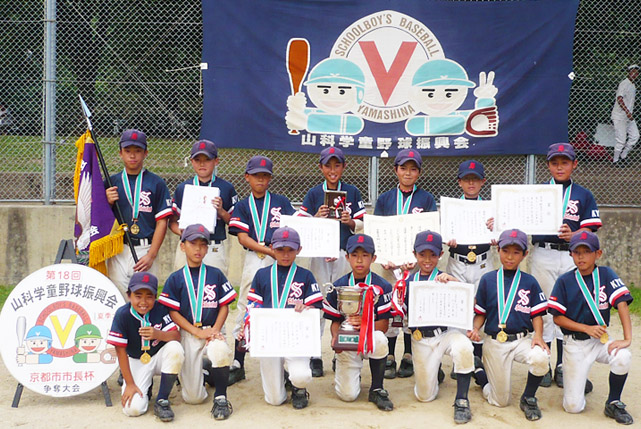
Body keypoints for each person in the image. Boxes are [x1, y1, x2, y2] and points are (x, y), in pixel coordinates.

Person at [530, 142, 601, 388]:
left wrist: (576, 234)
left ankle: (563, 365)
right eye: (555, 163)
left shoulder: (583, 194)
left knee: (566, 309)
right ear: (548, 165)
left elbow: (591, 228)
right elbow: (519, 217)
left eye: (565, 162)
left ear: (574, 164)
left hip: (572, 255)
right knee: (544, 307)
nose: (559, 167)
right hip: (544, 252)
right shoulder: (538, 192)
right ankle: (544, 362)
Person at [548, 231, 634, 425]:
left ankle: (614, 402)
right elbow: (557, 318)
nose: (581, 257)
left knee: (623, 356)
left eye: (586, 252)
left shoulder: (606, 274)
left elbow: (621, 303)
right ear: (570, 254)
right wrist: (585, 328)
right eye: (576, 252)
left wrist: (627, 338)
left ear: (598, 254)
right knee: (573, 407)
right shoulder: (565, 280)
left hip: (599, 341)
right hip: (575, 344)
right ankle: (578, 381)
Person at [297, 146, 366, 377]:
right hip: (319, 254)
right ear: (321, 167)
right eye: (328, 165)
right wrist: (316, 218)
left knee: (345, 303)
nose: (333, 170)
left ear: (344, 167)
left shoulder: (352, 192)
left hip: (343, 253)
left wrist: (350, 221)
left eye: (337, 165)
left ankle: (341, 350)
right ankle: (315, 354)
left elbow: (362, 223)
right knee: (316, 301)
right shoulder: (314, 193)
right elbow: (301, 223)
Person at [228, 155, 296, 384]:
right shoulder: (242, 205)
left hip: (280, 258)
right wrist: (268, 251)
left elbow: (294, 228)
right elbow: (242, 238)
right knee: (246, 305)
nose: (261, 179)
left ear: (270, 178)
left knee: (280, 304)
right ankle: (238, 361)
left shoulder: (281, 202)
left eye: (265, 176)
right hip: (255, 257)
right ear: (247, 177)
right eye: (256, 175)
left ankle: (283, 364)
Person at [158, 224, 237, 420]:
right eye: (193, 244)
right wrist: (196, 331)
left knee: (219, 350)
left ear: (207, 248)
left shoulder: (215, 274)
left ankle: (220, 397)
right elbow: (173, 312)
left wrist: (215, 330)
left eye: (203, 244)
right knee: (193, 398)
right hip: (189, 333)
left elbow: (224, 305)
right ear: (182, 246)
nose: (198, 249)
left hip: (212, 330)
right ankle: (206, 371)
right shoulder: (176, 278)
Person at [472, 229, 550, 421]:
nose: (510, 257)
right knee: (499, 401)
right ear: (498, 250)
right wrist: (475, 329)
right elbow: (481, 313)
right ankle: (480, 374)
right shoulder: (488, 279)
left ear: (525, 254)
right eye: (506, 251)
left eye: (516, 252)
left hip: (520, 340)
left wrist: (538, 336)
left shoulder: (529, 281)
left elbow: (537, 314)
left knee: (541, 357)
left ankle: (528, 397)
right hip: (495, 342)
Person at [372, 148, 436, 379]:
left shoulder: (426, 199)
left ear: (419, 172)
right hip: (390, 265)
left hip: (415, 264)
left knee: (412, 307)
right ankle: (389, 354)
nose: (408, 173)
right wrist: (383, 258)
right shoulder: (385, 199)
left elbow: (430, 232)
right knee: (391, 306)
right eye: (403, 168)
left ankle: (408, 354)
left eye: (413, 169)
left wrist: (417, 259)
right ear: (395, 170)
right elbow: (377, 232)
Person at [244, 226, 323, 408]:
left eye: (290, 250)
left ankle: (299, 388)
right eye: (280, 250)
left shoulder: (306, 275)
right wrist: (250, 326)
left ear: (299, 250)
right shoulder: (262, 274)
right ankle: (284, 378)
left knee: (301, 376)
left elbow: (316, 306)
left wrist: (308, 306)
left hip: (294, 336)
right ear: (272, 248)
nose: (285, 255)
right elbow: (253, 305)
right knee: (274, 400)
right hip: (270, 337)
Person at [404, 230, 475, 424]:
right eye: (422, 254)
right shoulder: (409, 281)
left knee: (464, 346)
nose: (427, 260)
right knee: (424, 396)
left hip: (445, 334)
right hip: (421, 339)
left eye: (433, 255)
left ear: (441, 254)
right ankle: (435, 371)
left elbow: (471, 303)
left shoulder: (446, 278)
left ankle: (462, 399)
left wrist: (455, 283)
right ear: (414, 254)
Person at [323, 234, 394, 411]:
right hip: (348, 342)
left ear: (373, 258)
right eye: (354, 255)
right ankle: (350, 371)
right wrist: (336, 338)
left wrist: (364, 323)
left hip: (369, 339)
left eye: (365, 255)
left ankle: (377, 388)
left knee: (380, 340)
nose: (360, 260)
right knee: (347, 395)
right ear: (347, 257)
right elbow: (335, 321)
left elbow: (384, 325)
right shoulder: (338, 286)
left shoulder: (382, 286)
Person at [107, 272, 184, 422]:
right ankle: (145, 388)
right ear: (129, 295)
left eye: (149, 296)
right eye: (138, 296)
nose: (143, 301)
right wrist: (130, 384)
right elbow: (121, 353)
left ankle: (162, 400)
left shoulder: (160, 308)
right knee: (133, 409)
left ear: (155, 297)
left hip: (159, 357)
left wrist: (158, 334)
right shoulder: (123, 314)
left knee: (175, 349)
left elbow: (176, 336)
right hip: (136, 360)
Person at [105, 129, 173, 294]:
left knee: (144, 297)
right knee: (118, 297)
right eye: (127, 151)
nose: (132, 155)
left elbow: (162, 221)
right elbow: (99, 219)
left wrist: (151, 255)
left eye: (137, 151)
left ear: (145, 153)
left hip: (145, 248)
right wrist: (107, 202)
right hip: (118, 249)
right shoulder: (111, 182)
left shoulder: (156, 183)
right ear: (120, 153)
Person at [445, 160, 495, 378]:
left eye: (475, 179)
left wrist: (497, 230)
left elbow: (503, 236)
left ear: (483, 181)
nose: (471, 183)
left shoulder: (492, 208)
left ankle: (478, 356)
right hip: (458, 260)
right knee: (457, 308)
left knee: (482, 305)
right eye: (467, 179)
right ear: (459, 182)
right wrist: (448, 238)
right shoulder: (452, 208)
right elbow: (444, 234)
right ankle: (460, 358)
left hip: (483, 261)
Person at [169, 139, 238, 275]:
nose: (202, 164)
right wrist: (185, 233)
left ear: (216, 161)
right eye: (197, 160)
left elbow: (233, 222)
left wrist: (221, 211)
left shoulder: (226, 188)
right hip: (188, 244)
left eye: (207, 159)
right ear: (191, 161)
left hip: (213, 246)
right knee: (183, 283)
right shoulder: (183, 188)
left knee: (214, 284)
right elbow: (172, 222)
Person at [611, 64, 639, 166]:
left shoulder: (633, 85)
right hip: (620, 116)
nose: (634, 74)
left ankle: (623, 156)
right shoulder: (624, 83)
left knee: (635, 136)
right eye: (633, 72)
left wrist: (628, 114)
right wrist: (627, 112)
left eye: (636, 73)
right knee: (621, 140)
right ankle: (615, 161)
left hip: (628, 117)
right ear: (629, 72)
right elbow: (620, 98)